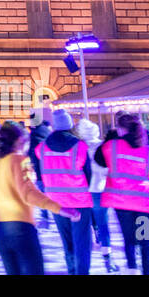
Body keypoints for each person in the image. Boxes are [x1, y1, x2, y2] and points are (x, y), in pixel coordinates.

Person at [0, 121, 76, 275]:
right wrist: (58, 208)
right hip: (20, 228)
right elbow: (27, 193)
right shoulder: (20, 161)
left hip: (1, 231)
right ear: (19, 141)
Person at [96, 112, 149, 274]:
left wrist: (110, 138)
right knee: (144, 241)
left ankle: (131, 270)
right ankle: (147, 272)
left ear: (120, 129)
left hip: (123, 202)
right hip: (144, 204)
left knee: (129, 240)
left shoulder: (111, 146)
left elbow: (98, 159)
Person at [37, 110, 93, 274]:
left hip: (56, 201)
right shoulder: (80, 146)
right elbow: (88, 173)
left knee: (67, 241)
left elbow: (42, 171)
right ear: (70, 126)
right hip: (79, 200)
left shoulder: (42, 147)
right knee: (82, 242)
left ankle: (71, 270)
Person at [76, 118, 119, 273]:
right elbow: (108, 168)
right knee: (103, 225)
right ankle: (108, 259)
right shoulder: (103, 146)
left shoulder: (77, 147)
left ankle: (81, 264)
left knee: (82, 229)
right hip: (99, 190)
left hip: (82, 192)